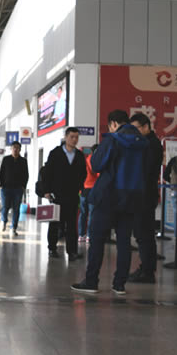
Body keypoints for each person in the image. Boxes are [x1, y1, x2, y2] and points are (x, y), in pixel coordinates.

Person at [72, 110, 148, 294]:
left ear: (113, 123)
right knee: (124, 242)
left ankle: (91, 281)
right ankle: (119, 284)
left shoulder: (113, 140)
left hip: (108, 196)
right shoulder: (143, 143)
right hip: (132, 198)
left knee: (97, 239)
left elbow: (96, 164)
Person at [128, 113, 163, 283]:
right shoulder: (147, 143)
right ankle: (146, 268)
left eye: (136, 128)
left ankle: (147, 272)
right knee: (143, 234)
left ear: (146, 126)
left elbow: (145, 170)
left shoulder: (151, 144)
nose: (134, 132)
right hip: (143, 194)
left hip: (145, 195)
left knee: (144, 234)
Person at [42, 127, 87, 260]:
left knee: (71, 224)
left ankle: (72, 251)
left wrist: (79, 186)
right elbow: (47, 173)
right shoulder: (55, 153)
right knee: (55, 223)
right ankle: (52, 248)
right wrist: (46, 190)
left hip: (72, 194)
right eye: (72, 137)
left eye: (76, 137)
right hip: (57, 194)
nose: (74, 140)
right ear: (66, 137)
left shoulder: (79, 155)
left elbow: (83, 173)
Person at [0, 141, 28, 235]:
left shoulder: (23, 161)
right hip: (5, 188)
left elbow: (26, 175)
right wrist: (0, 184)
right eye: (14, 147)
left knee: (16, 208)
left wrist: (23, 186)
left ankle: (13, 228)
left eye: (17, 148)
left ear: (20, 149)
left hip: (18, 189)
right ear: (11, 149)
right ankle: (4, 221)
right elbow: (0, 173)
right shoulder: (6, 159)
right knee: (5, 206)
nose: (15, 149)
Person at [78, 144, 99, 242]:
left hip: (83, 190)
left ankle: (81, 234)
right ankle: (89, 235)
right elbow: (97, 173)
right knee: (91, 213)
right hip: (92, 189)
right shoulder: (93, 160)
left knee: (83, 213)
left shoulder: (83, 161)